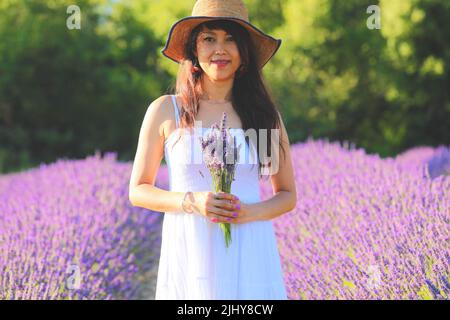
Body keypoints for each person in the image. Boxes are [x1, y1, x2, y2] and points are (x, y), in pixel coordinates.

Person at [129, 0, 297, 300]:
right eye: (209, 39)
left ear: (244, 55)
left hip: (250, 247)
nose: (220, 49)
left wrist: (249, 212)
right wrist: (192, 201)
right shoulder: (168, 111)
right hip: (189, 248)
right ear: (194, 51)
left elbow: (286, 194)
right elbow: (139, 189)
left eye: (230, 39)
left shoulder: (262, 116)